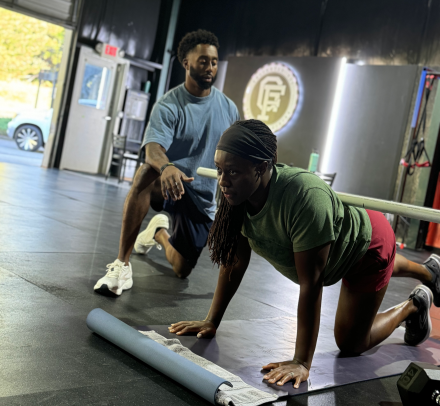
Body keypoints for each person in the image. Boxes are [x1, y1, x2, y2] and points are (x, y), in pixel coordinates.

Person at [169, 119, 440, 388]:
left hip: (369, 247)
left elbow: (311, 283)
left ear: (262, 167)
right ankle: (429, 271)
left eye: (232, 172)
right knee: (368, 267)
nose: (223, 181)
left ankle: (414, 304)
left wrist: (302, 361)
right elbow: (235, 261)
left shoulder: (303, 197)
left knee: (351, 343)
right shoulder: (237, 197)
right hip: (343, 247)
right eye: (219, 170)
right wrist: (211, 320)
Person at [94, 30, 240, 296]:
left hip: (202, 196)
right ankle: (121, 265)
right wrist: (167, 166)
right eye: (203, 61)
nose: (210, 67)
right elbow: (152, 149)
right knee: (144, 174)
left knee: (182, 270)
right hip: (170, 182)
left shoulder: (229, 109)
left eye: (214, 62)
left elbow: (235, 155)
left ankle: (158, 232)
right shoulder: (169, 104)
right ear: (186, 63)